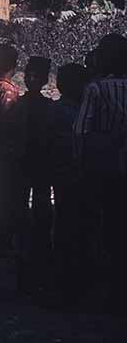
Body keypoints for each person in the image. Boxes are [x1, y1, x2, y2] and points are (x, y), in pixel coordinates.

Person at [74, 34, 127, 301]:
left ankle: (103, 284)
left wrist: (82, 167)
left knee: (101, 222)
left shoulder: (96, 89)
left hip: (101, 166)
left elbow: (81, 131)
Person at [10, 56, 54, 293]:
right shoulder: (41, 107)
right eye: (28, 74)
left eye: (34, 75)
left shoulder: (21, 105)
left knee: (37, 212)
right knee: (32, 214)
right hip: (32, 166)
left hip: (33, 166)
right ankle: (33, 265)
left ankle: (34, 264)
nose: (30, 78)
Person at [49, 63, 87, 290]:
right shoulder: (83, 110)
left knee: (63, 218)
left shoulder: (54, 109)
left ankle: (63, 271)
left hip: (60, 172)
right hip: (77, 172)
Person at [0, 43, 21, 252]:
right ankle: (3, 238)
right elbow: (8, 122)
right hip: (7, 150)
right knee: (7, 195)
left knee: (1, 194)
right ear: (15, 66)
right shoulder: (8, 90)